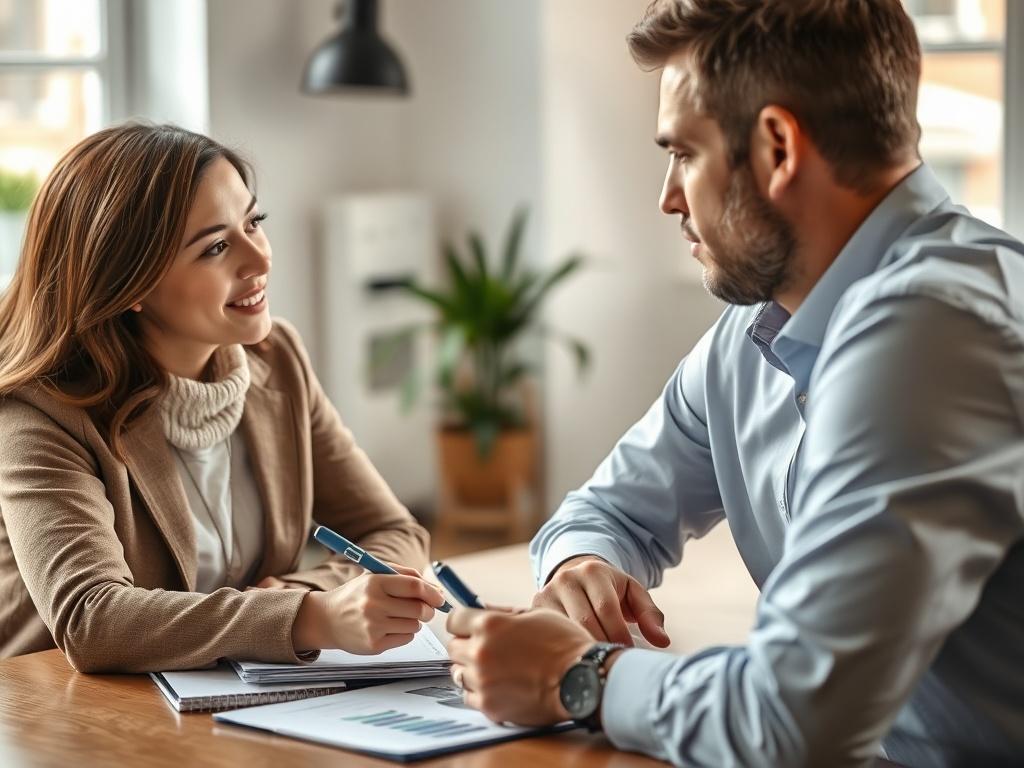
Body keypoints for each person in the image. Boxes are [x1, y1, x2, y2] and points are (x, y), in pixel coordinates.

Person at [446, 1, 1024, 766]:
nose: (668, 197)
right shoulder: (759, 328)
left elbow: (791, 721)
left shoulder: (938, 332)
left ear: (779, 147)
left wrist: (575, 676)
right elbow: (609, 508)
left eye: (684, 153)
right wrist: (582, 565)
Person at [0, 123, 446, 673]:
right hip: (71, 722)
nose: (258, 259)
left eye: (254, 222)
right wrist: (309, 617)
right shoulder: (41, 414)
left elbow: (394, 532)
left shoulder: (276, 359)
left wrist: (306, 596)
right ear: (131, 283)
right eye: (215, 247)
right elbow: (92, 618)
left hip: (236, 707)